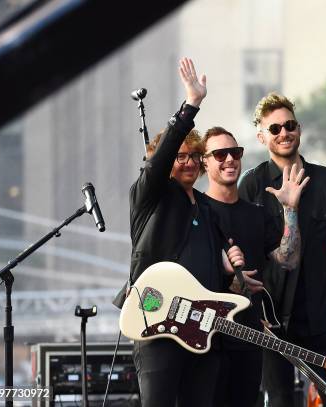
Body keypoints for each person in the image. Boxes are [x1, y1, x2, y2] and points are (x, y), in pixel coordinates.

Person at [113, 58, 245, 407]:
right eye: (180, 156)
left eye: (195, 156)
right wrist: (191, 105)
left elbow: (217, 273)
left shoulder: (207, 208)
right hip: (157, 324)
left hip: (200, 331)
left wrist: (231, 271)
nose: (188, 162)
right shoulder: (151, 196)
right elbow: (159, 161)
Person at [238, 93, 326, 406]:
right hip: (270, 320)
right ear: (262, 137)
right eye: (274, 129)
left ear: (299, 129)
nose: (284, 133)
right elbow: (242, 256)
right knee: (279, 401)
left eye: (289, 125)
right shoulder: (251, 185)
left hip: (320, 314)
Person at [201, 126, 308, 406]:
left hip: (248, 337)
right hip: (203, 338)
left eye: (235, 153)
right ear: (205, 161)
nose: (229, 160)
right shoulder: (196, 210)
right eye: (220, 154)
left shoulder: (256, 214)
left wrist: (290, 210)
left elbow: (289, 259)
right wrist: (224, 277)